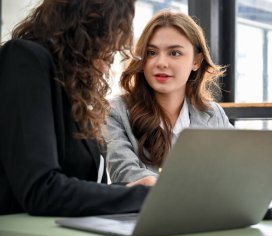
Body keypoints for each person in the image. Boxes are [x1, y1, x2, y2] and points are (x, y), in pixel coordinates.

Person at [0, 0, 150, 216]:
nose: (118, 45)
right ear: (88, 25)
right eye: (116, 28)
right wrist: (141, 197)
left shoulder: (74, 90)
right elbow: (41, 190)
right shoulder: (23, 58)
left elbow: (76, 188)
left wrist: (130, 189)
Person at [105, 10, 233, 187]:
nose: (161, 63)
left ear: (196, 61)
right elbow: (125, 173)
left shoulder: (213, 114)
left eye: (174, 53)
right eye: (151, 52)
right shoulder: (116, 111)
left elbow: (233, 171)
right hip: (146, 212)